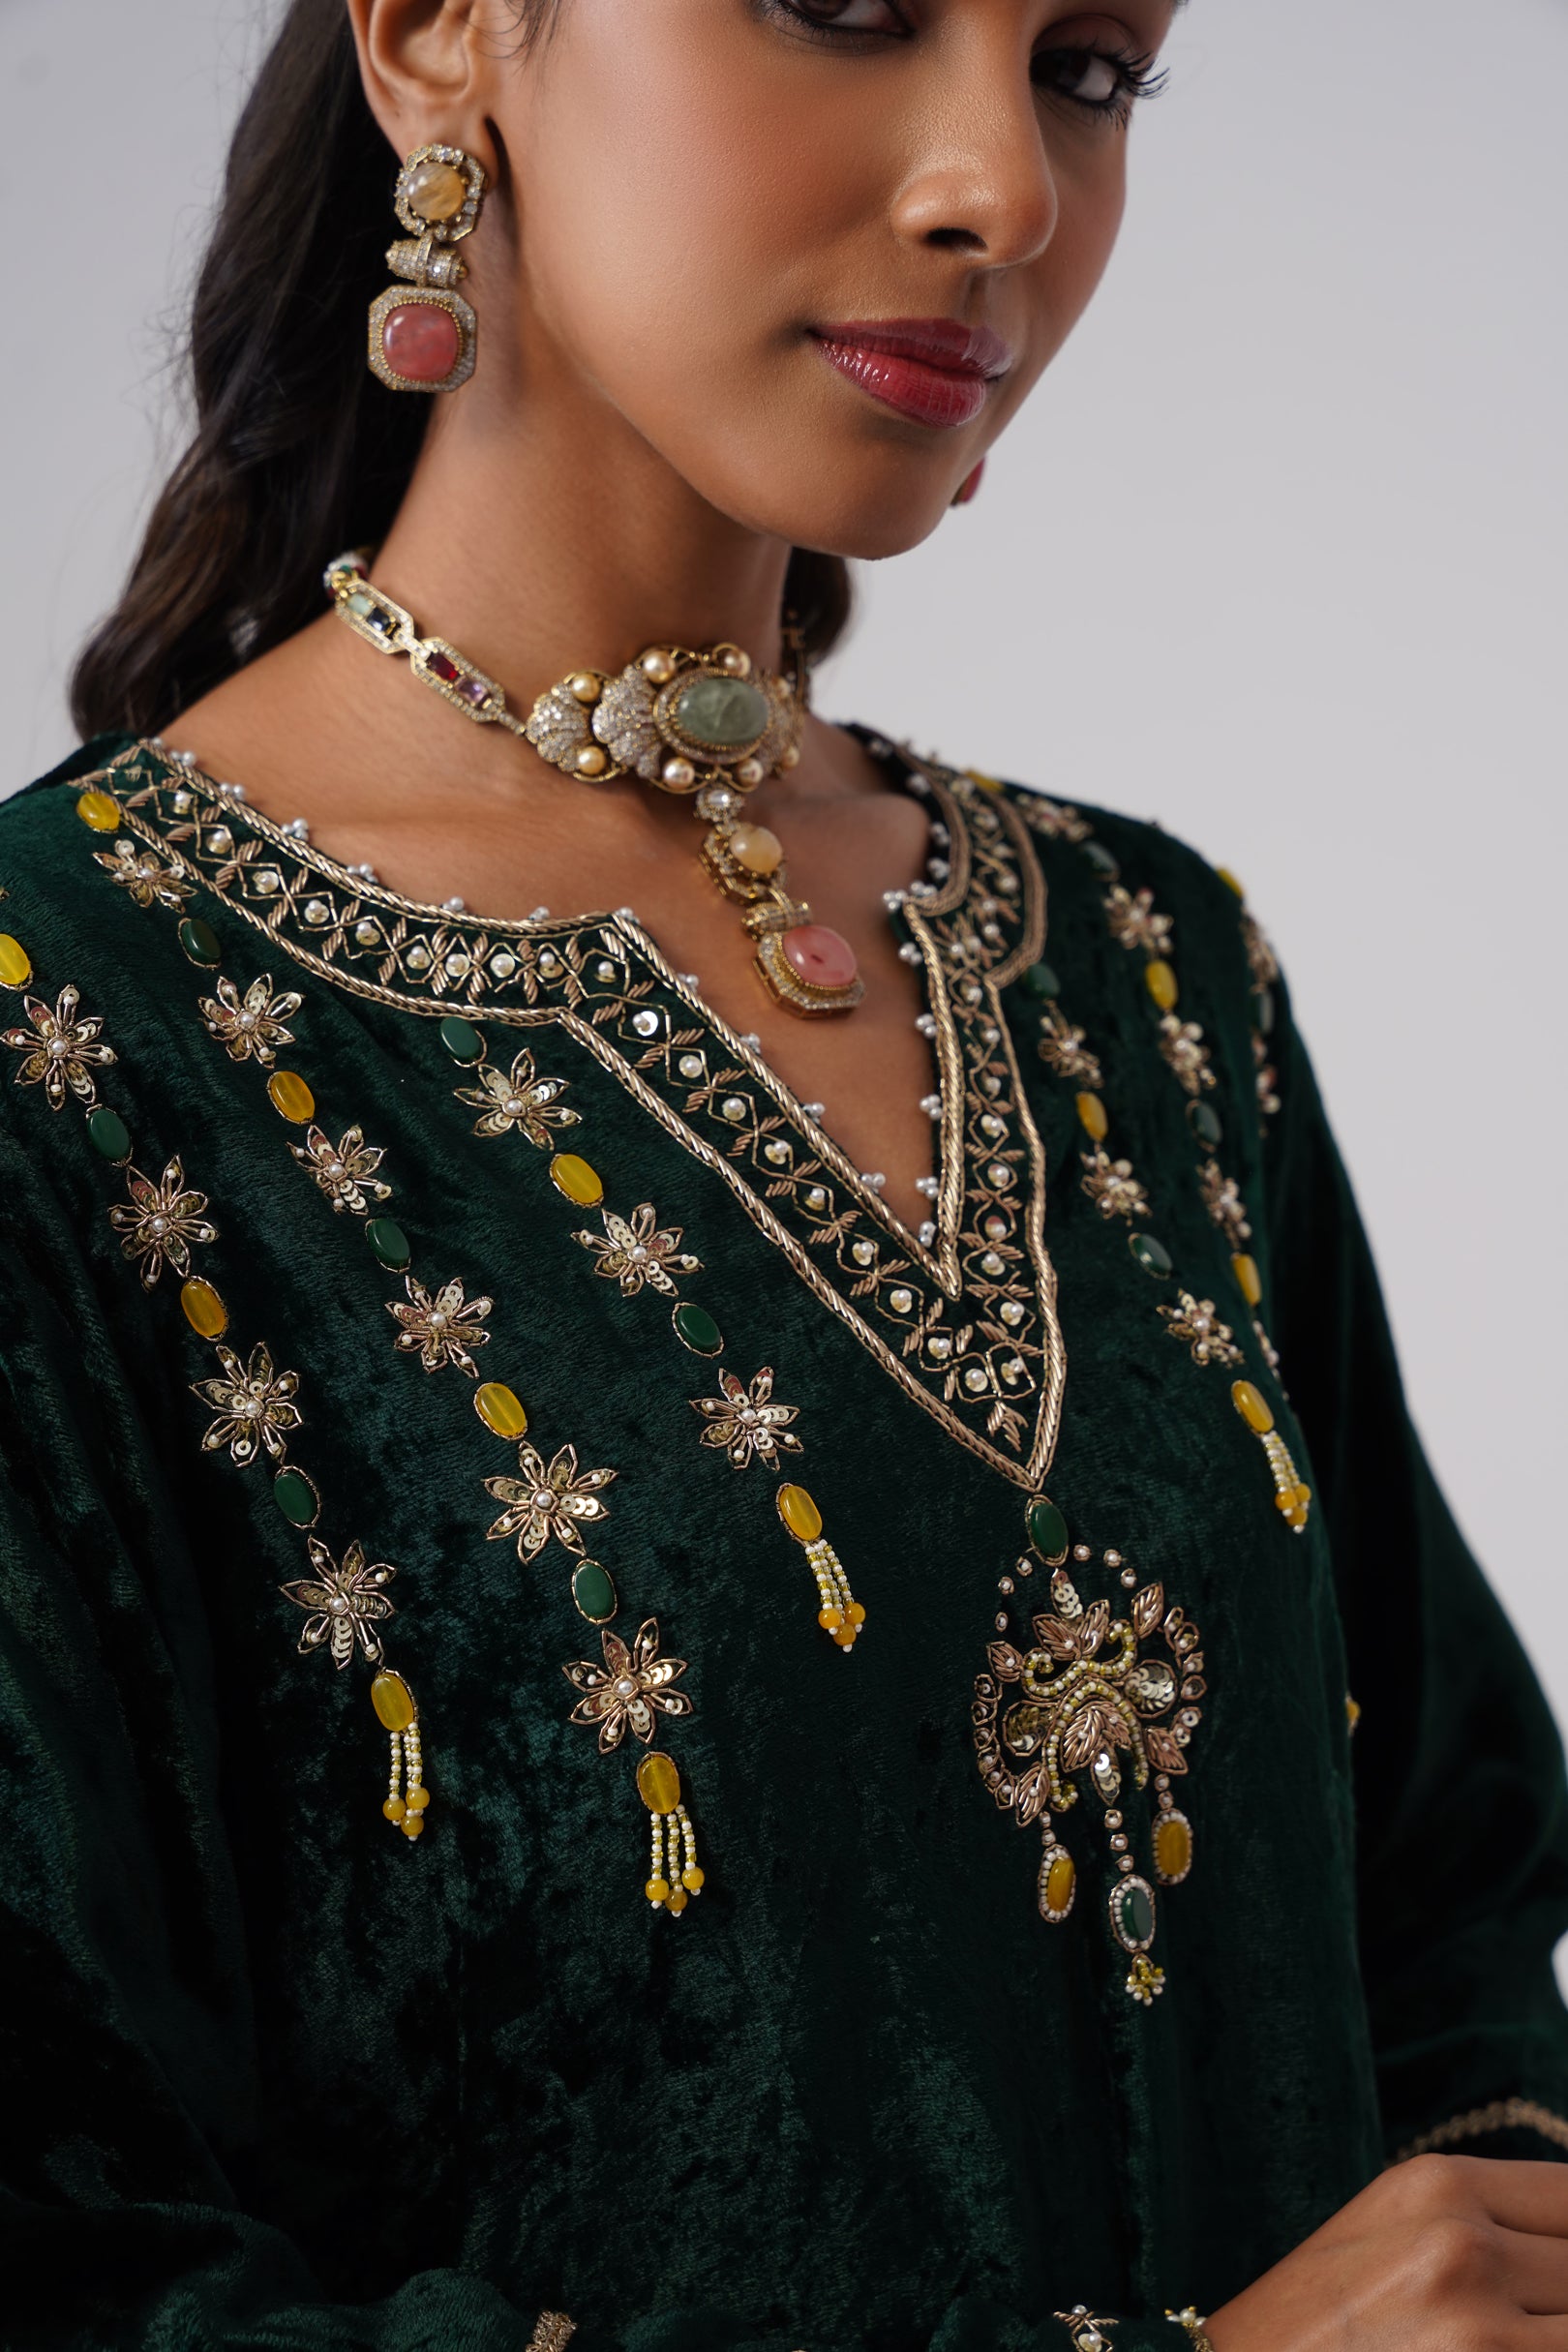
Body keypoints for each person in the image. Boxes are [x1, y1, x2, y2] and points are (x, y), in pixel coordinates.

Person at [3, 2, 1567, 2345]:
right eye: (843, 4)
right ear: (437, 35)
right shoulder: (70, 1035)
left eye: (1088, 67)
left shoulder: (1149, 965)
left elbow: (1449, 1903)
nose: (1004, 190)